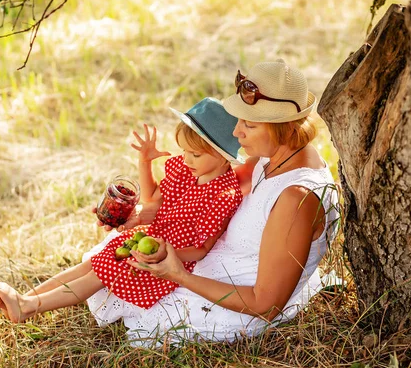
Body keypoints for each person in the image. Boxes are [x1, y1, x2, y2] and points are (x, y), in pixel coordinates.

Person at [84, 59, 340, 347]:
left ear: (282, 128)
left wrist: (177, 274)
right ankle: (31, 302)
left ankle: (29, 305)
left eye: (249, 124)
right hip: (211, 264)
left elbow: (265, 305)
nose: (235, 132)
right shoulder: (276, 154)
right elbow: (204, 191)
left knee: (119, 273)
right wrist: (142, 215)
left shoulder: (296, 198)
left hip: (236, 304)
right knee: (112, 258)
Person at [0, 97, 244, 322]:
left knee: (101, 273)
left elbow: (201, 250)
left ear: (222, 155)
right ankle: (23, 298)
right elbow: (153, 200)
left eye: (195, 154)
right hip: (148, 238)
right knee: (90, 265)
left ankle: (27, 307)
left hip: (164, 258)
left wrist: (165, 255)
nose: (187, 159)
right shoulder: (187, 168)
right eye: (185, 151)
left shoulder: (223, 195)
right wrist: (144, 163)